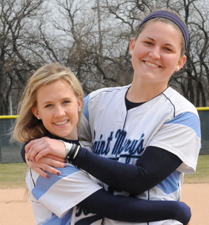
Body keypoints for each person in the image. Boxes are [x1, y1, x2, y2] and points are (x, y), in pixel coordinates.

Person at [23, 8, 201, 225]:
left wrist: (70, 152)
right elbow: (57, 131)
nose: (155, 54)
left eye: (167, 48)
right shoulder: (97, 102)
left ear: (180, 62)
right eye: (148, 43)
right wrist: (30, 152)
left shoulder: (182, 115)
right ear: (132, 45)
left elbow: (140, 179)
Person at [13, 62, 191, 225]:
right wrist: (175, 210)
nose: (59, 113)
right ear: (37, 112)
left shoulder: (87, 146)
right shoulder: (49, 166)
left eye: (65, 102)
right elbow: (112, 207)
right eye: (48, 105)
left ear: (79, 103)